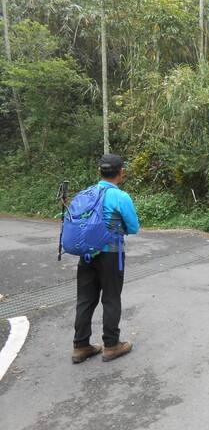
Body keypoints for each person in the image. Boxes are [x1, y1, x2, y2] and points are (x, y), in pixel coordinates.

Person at [71, 154, 140, 364]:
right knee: (110, 297)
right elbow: (134, 227)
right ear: (121, 172)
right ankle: (111, 346)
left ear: (99, 171)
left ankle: (80, 346)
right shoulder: (120, 197)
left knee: (85, 299)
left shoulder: (85, 193)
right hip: (111, 254)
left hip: (86, 254)